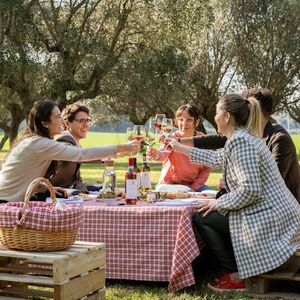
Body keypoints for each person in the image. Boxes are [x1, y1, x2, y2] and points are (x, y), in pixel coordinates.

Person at [167, 93, 300, 292]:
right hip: (276, 214)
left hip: (271, 219)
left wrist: (219, 203)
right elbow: (215, 158)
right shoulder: (240, 139)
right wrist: (178, 147)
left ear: (227, 116)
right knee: (207, 214)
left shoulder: (241, 142)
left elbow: (250, 189)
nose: (215, 116)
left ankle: (234, 274)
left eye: (218, 112)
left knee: (202, 217)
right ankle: (230, 268)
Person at [0, 100, 139, 203]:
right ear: (44, 123)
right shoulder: (40, 143)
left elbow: (22, 178)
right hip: (6, 204)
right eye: (58, 117)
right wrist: (122, 147)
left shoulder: (33, 141)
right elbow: (80, 154)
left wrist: (46, 188)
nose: (62, 121)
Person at [178, 88, 300, 202]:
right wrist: (179, 141)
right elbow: (218, 142)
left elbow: (267, 182)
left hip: (277, 205)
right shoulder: (249, 134)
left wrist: (229, 186)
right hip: (258, 201)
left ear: (253, 109)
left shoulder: (279, 139)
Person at [148, 104, 211, 192]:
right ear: (176, 122)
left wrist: (195, 187)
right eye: (181, 120)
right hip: (169, 184)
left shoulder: (203, 140)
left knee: (213, 195)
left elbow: (206, 168)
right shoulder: (171, 137)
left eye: (189, 120)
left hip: (194, 185)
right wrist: (156, 154)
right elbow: (162, 154)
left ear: (196, 122)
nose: (184, 123)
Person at [45, 103, 100, 193]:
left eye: (87, 120)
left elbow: (75, 181)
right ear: (67, 123)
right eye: (82, 121)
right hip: (54, 197)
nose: (86, 125)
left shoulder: (74, 143)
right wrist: (107, 155)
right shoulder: (63, 142)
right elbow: (76, 153)